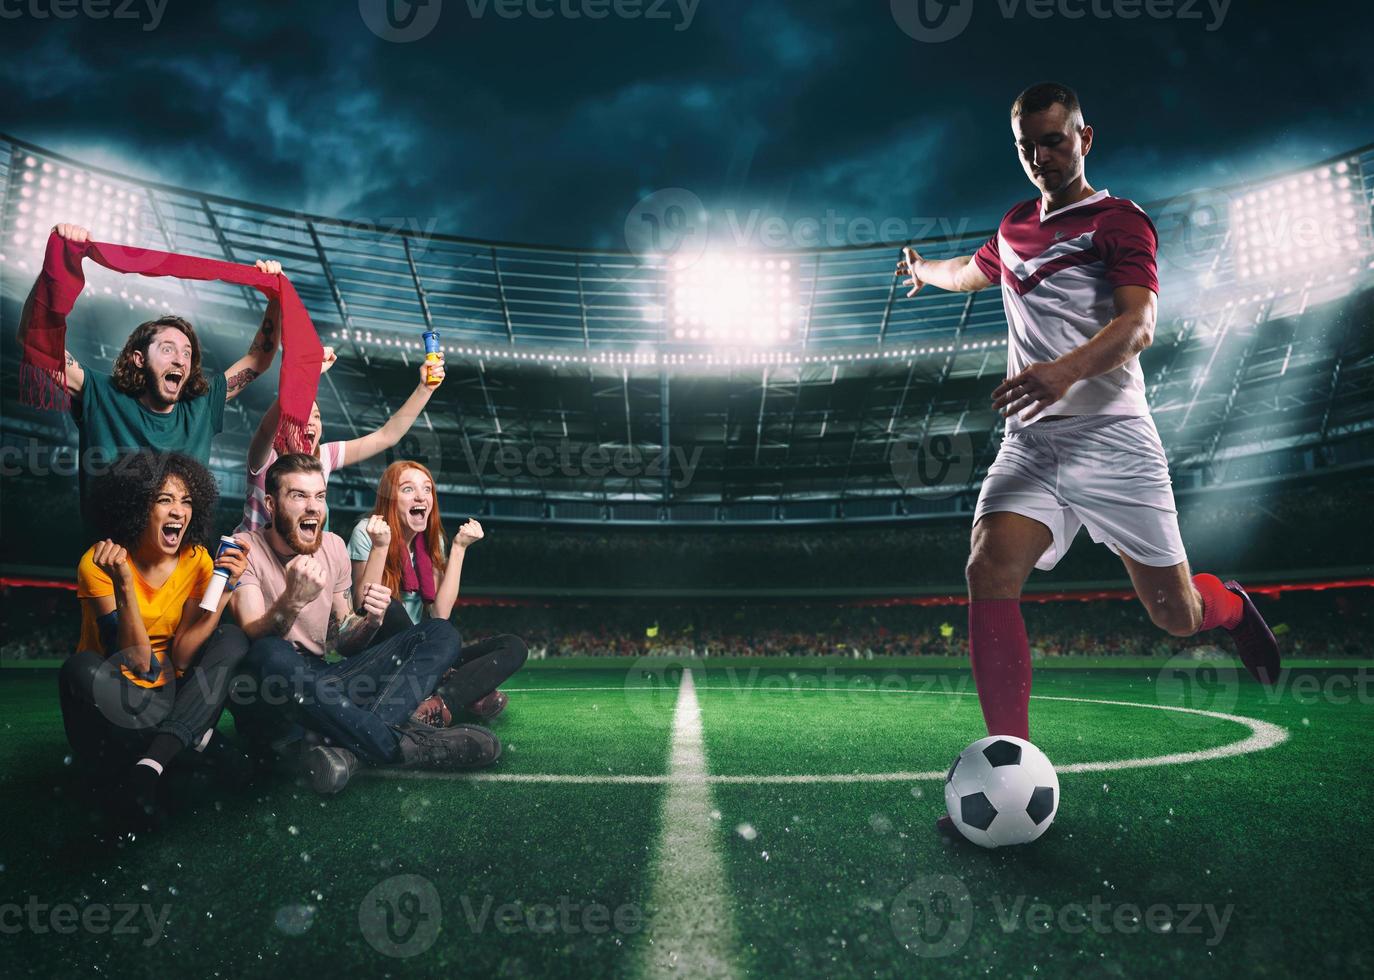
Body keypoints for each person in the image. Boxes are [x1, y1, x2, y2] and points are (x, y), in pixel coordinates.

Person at [895, 82, 1281, 836]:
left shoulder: (1119, 220)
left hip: (1113, 438)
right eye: (1026, 146)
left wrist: (1061, 371)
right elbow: (971, 272)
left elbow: (1137, 326)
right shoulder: (1012, 228)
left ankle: (1229, 605)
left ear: (1085, 138)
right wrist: (922, 271)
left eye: (1054, 140)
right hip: (1032, 443)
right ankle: (1011, 769)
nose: (1041, 157)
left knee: (1176, 617)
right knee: (986, 569)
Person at [16, 222, 332, 525]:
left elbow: (259, 359)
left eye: (187, 353)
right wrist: (54, 270)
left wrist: (276, 297)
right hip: (108, 568)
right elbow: (38, 345)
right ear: (138, 358)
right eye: (168, 349)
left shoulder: (200, 406)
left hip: (184, 573)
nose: (180, 359)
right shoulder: (102, 394)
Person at [229, 453, 500, 796]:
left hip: (324, 683)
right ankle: (404, 745)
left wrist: (370, 622)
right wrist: (292, 601)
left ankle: (349, 750)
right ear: (270, 503)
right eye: (298, 495)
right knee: (271, 653)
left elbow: (343, 640)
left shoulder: (333, 546)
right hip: (271, 691)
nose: (313, 507)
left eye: (320, 496)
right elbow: (253, 635)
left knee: (441, 633)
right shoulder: (244, 548)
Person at [59, 450, 252, 831]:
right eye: (164, 500)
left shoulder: (197, 560)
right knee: (78, 668)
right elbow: (136, 662)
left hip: (170, 689)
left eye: (186, 501)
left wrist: (225, 588)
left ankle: (152, 762)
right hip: (115, 699)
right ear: (135, 507)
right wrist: (125, 584)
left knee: (231, 637)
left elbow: (182, 653)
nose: (179, 511)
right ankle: (192, 740)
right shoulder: (98, 563)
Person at [349, 460, 526, 725]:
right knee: (389, 606)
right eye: (408, 489)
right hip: (382, 650)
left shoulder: (433, 541)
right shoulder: (367, 532)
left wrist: (459, 549)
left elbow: (440, 614)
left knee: (513, 646)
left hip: (426, 652)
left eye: (427, 489)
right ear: (389, 498)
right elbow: (365, 605)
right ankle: (465, 691)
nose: (421, 496)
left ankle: (440, 702)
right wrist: (380, 545)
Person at [235, 358, 444, 534]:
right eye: (300, 416)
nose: (310, 422)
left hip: (299, 565)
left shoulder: (324, 456)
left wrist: (425, 389)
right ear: (281, 426)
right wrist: (307, 374)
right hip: (250, 563)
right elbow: (264, 430)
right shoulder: (264, 460)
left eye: (316, 416)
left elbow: (387, 436)